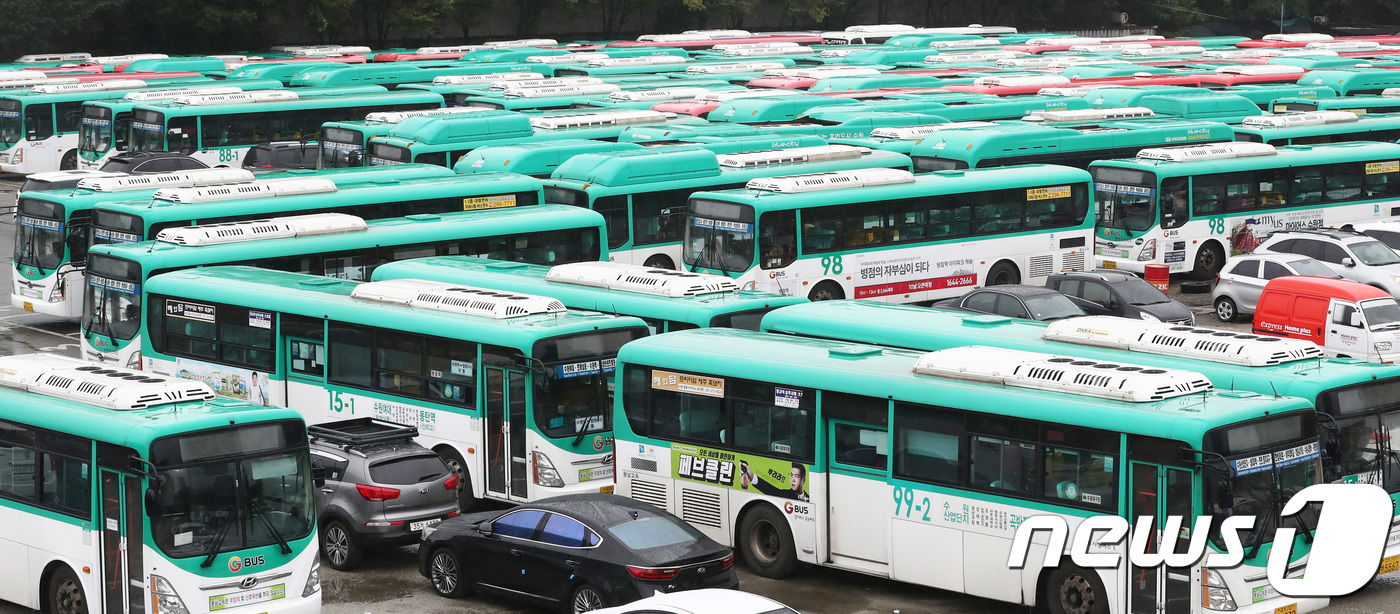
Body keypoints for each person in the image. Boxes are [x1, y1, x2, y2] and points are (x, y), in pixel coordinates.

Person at [740, 461, 809, 502]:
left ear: (803, 480)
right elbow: (770, 490)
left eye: (796, 476)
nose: (793, 479)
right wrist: (752, 477)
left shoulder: (811, 498)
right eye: (791, 475)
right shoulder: (786, 494)